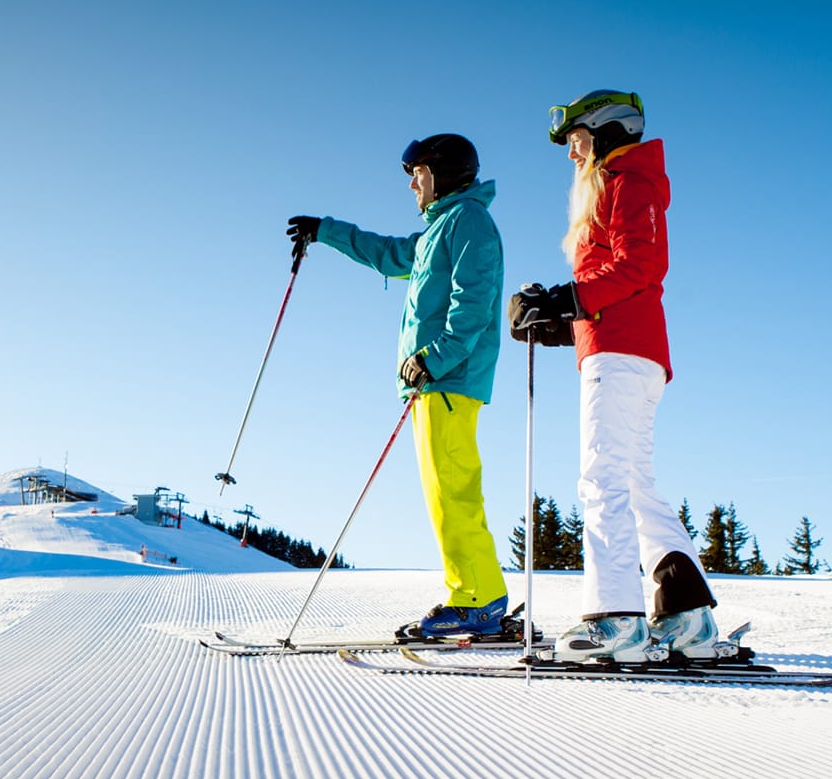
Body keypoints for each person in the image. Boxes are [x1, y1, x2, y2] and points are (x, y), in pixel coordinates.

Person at [509, 90, 732, 663]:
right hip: (625, 350)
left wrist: (569, 297)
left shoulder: (627, 184)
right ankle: (687, 620)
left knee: (601, 480)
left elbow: (639, 265)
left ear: (606, 134)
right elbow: (615, 292)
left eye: (577, 141)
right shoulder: (620, 186)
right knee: (633, 484)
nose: (571, 155)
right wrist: (560, 319)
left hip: (623, 356)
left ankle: (616, 623)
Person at [287, 134, 509, 640]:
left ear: (446, 172)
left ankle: (477, 599)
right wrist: (325, 231)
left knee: (452, 492)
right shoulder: (438, 231)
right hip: (433, 383)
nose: (412, 182)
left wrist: (434, 357)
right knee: (445, 492)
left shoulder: (469, 222)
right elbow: (387, 253)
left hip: (447, 379)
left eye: (419, 172)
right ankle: (480, 593)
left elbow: (473, 303)